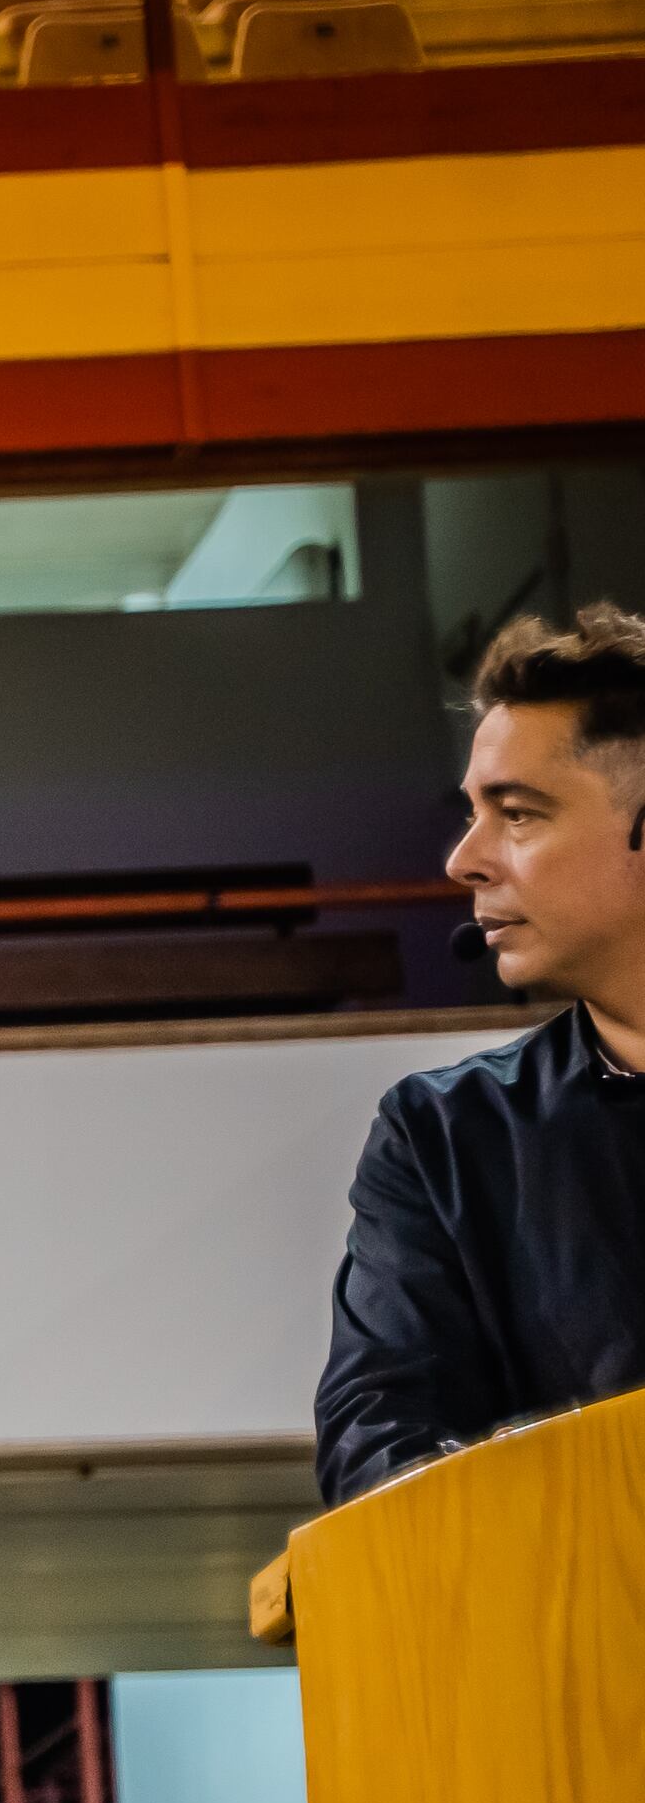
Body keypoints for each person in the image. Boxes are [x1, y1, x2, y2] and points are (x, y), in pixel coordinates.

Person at [317, 605, 645, 1504]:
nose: (464, 860)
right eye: (472, 814)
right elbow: (375, 1450)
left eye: (519, 814)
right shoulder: (440, 1137)